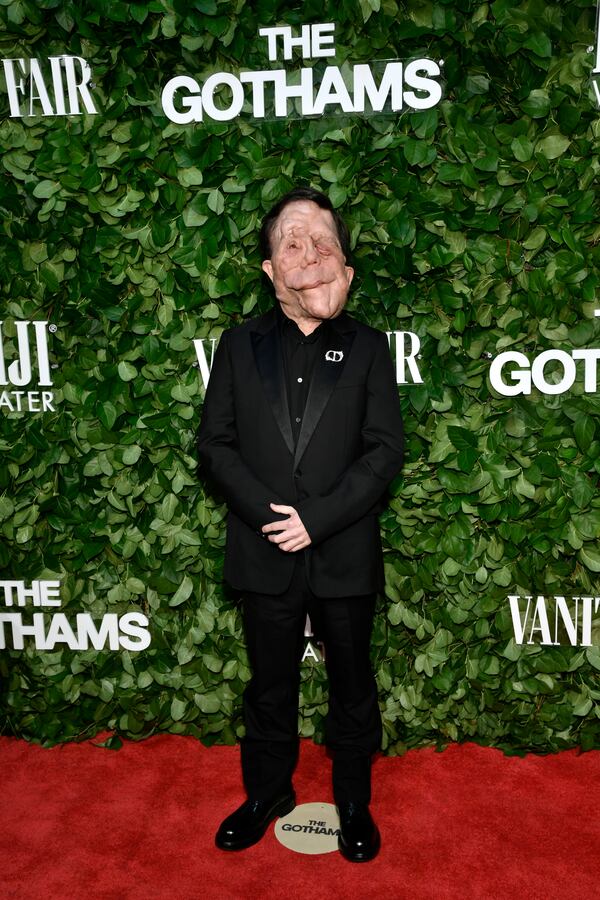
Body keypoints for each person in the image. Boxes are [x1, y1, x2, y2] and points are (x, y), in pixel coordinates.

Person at [197, 186, 404, 862]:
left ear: (343, 260)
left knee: (351, 683)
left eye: (323, 239)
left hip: (342, 549)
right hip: (263, 552)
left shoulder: (369, 347)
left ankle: (351, 802)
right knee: (268, 683)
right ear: (268, 268)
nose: (308, 249)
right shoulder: (236, 345)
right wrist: (272, 519)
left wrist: (315, 520)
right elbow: (215, 446)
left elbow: (383, 451)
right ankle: (267, 792)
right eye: (291, 238)